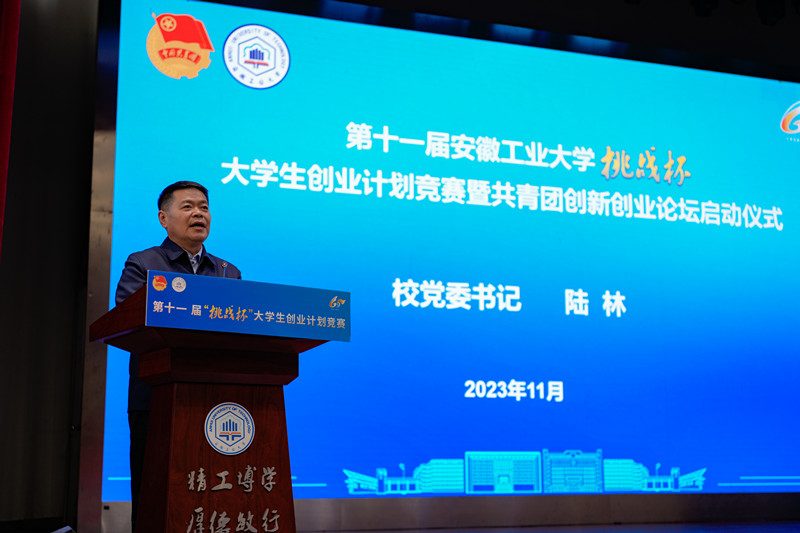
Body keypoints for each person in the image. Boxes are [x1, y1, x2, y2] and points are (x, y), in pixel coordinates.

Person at [114, 181, 241, 530]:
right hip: (156, 398)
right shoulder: (143, 263)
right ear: (163, 218)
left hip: (215, 401)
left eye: (204, 207)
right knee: (155, 491)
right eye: (187, 207)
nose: (199, 213)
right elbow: (129, 321)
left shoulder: (228, 272)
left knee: (210, 491)